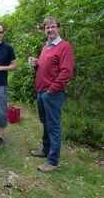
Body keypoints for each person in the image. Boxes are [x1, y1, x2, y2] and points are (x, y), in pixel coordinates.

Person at [28, 17, 74, 173]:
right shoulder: (45, 46)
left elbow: (66, 72)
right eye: (47, 27)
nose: (50, 30)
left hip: (52, 93)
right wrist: (36, 65)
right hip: (41, 91)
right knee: (45, 123)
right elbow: (44, 69)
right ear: (44, 30)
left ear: (58, 28)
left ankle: (53, 161)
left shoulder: (64, 46)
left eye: (52, 27)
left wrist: (51, 90)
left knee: (53, 126)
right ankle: (45, 150)